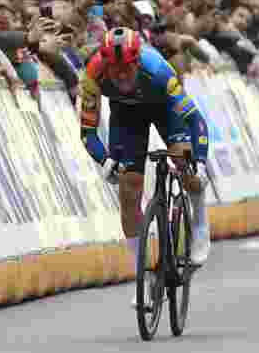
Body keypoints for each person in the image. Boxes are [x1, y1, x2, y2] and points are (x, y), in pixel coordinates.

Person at [78, 28, 211, 268]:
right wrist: (105, 161)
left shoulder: (158, 71)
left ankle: (200, 219)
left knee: (185, 162)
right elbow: (87, 132)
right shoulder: (92, 75)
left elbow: (195, 120)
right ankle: (142, 272)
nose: (120, 76)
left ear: (137, 61)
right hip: (126, 114)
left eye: (126, 68)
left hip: (164, 108)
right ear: (105, 64)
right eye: (114, 69)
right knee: (129, 190)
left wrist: (200, 162)